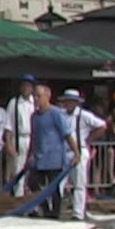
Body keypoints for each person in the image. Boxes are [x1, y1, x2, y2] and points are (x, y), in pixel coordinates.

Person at [25, 85, 77, 216]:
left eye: (38, 96)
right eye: (34, 96)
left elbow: (67, 134)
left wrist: (76, 153)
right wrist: (31, 154)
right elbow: (34, 137)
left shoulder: (56, 113)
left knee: (54, 188)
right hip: (40, 157)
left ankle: (55, 213)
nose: (36, 99)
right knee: (33, 183)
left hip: (54, 157)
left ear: (47, 97)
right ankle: (45, 209)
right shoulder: (34, 117)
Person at [56, 89, 106, 219]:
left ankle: (78, 213)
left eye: (70, 101)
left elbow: (102, 125)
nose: (67, 104)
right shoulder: (61, 115)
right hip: (64, 152)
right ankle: (55, 210)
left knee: (79, 183)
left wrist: (88, 140)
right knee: (58, 182)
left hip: (79, 150)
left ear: (75, 102)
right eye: (66, 101)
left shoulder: (84, 115)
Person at [3, 75, 37, 182]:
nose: (26, 88)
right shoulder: (14, 103)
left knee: (33, 171)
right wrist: (8, 144)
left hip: (33, 138)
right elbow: (8, 125)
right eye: (24, 86)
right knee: (18, 170)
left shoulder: (35, 102)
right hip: (19, 139)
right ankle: (19, 197)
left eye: (28, 86)